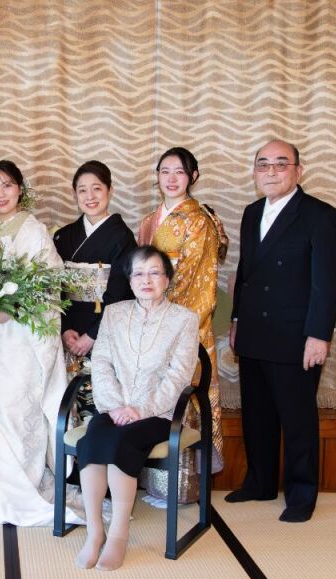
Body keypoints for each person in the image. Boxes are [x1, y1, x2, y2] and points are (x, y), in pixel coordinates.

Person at [0, 160, 81, 526]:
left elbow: (48, 282)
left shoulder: (35, 230)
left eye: (7, 185)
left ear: (20, 189)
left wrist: (14, 310)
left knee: (17, 410)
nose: (0, 194)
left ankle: (21, 484)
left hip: (21, 339)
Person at [226, 140, 336, 522]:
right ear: (255, 171)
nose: (272, 171)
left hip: (297, 336)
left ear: (298, 170)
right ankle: (259, 483)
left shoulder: (319, 215)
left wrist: (319, 334)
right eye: (264, 164)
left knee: (297, 419)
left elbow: (328, 283)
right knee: (256, 414)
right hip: (255, 331)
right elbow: (245, 274)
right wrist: (236, 320)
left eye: (281, 164)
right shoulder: (250, 212)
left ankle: (301, 494)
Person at [75, 245, 198, 570]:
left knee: (120, 442)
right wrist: (115, 406)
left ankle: (118, 533)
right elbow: (100, 362)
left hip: (157, 413)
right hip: (113, 409)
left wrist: (140, 409)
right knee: (93, 440)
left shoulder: (184, 319)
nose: (147, 280)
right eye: (139, 273)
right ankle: (94, 532)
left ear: (167, 279)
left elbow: (179, 375)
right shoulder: (114, 314)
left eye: (155, 272)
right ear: (129, 280)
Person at [138, 147, 224, 473]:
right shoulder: (149, 221)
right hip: (149, 318)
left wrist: (158, 313)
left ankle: (185, 485)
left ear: (193, 177)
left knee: (182, 395)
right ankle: (152, 477)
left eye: (179, 172)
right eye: (165, 171)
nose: (171, 179)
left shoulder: (199, 220)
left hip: (184, 320)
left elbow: (190, 274)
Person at [53, 161, 136, 358]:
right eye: (82, 190)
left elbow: (120, 295)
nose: (89, 196)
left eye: (97, 188)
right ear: (75, 195)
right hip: (69, 331)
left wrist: (92, 335)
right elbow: (55, 289)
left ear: (110, 190)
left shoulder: (122, 238)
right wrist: (64, 329)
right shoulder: (64, 236)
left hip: (105, 331)